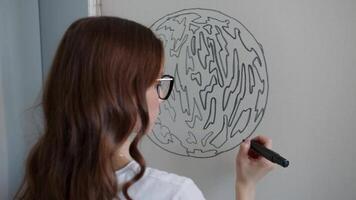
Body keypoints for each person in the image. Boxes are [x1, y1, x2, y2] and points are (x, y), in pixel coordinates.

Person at [15, 16, 275, 200]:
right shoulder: (173, 194)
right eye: (156, 82)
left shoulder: (42, 184)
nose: (161, 97)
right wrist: (246, 187)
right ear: (119, 94)